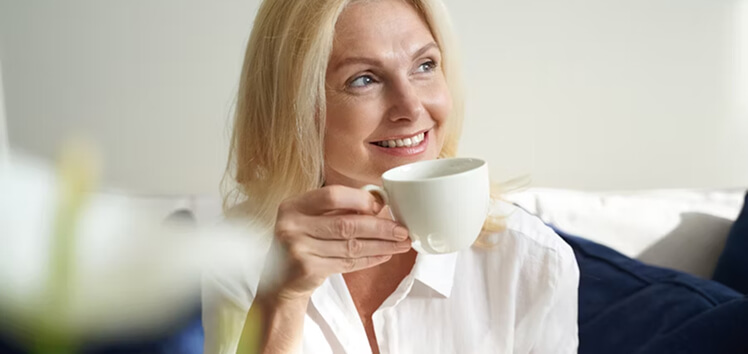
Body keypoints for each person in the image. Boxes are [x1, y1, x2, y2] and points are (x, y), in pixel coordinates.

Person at [202, 0, 580, 353]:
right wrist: (281, 301)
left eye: (425, 65)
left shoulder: (535, 264)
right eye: (364, 79)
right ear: (296, 107)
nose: (412, 107)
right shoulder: (238, 257)